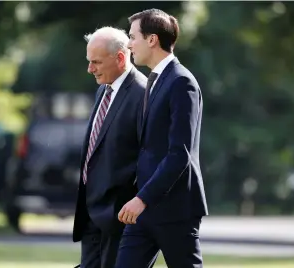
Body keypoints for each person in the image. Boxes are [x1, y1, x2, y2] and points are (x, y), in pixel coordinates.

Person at [115, 9, 208, 268]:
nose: (129, 43)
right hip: (144, 208)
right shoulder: (155, 80)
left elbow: (180, 154)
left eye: (133, 37)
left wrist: (142, 198)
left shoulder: (182, 83)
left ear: (152, 40)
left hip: (174, 209)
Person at [72, 26, 146, 268]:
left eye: (96, 62)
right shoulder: (102, 90)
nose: (89, 69)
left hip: (120, 217)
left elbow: (149, 155)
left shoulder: (144, 94)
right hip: (91, 212)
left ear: (121, 58)